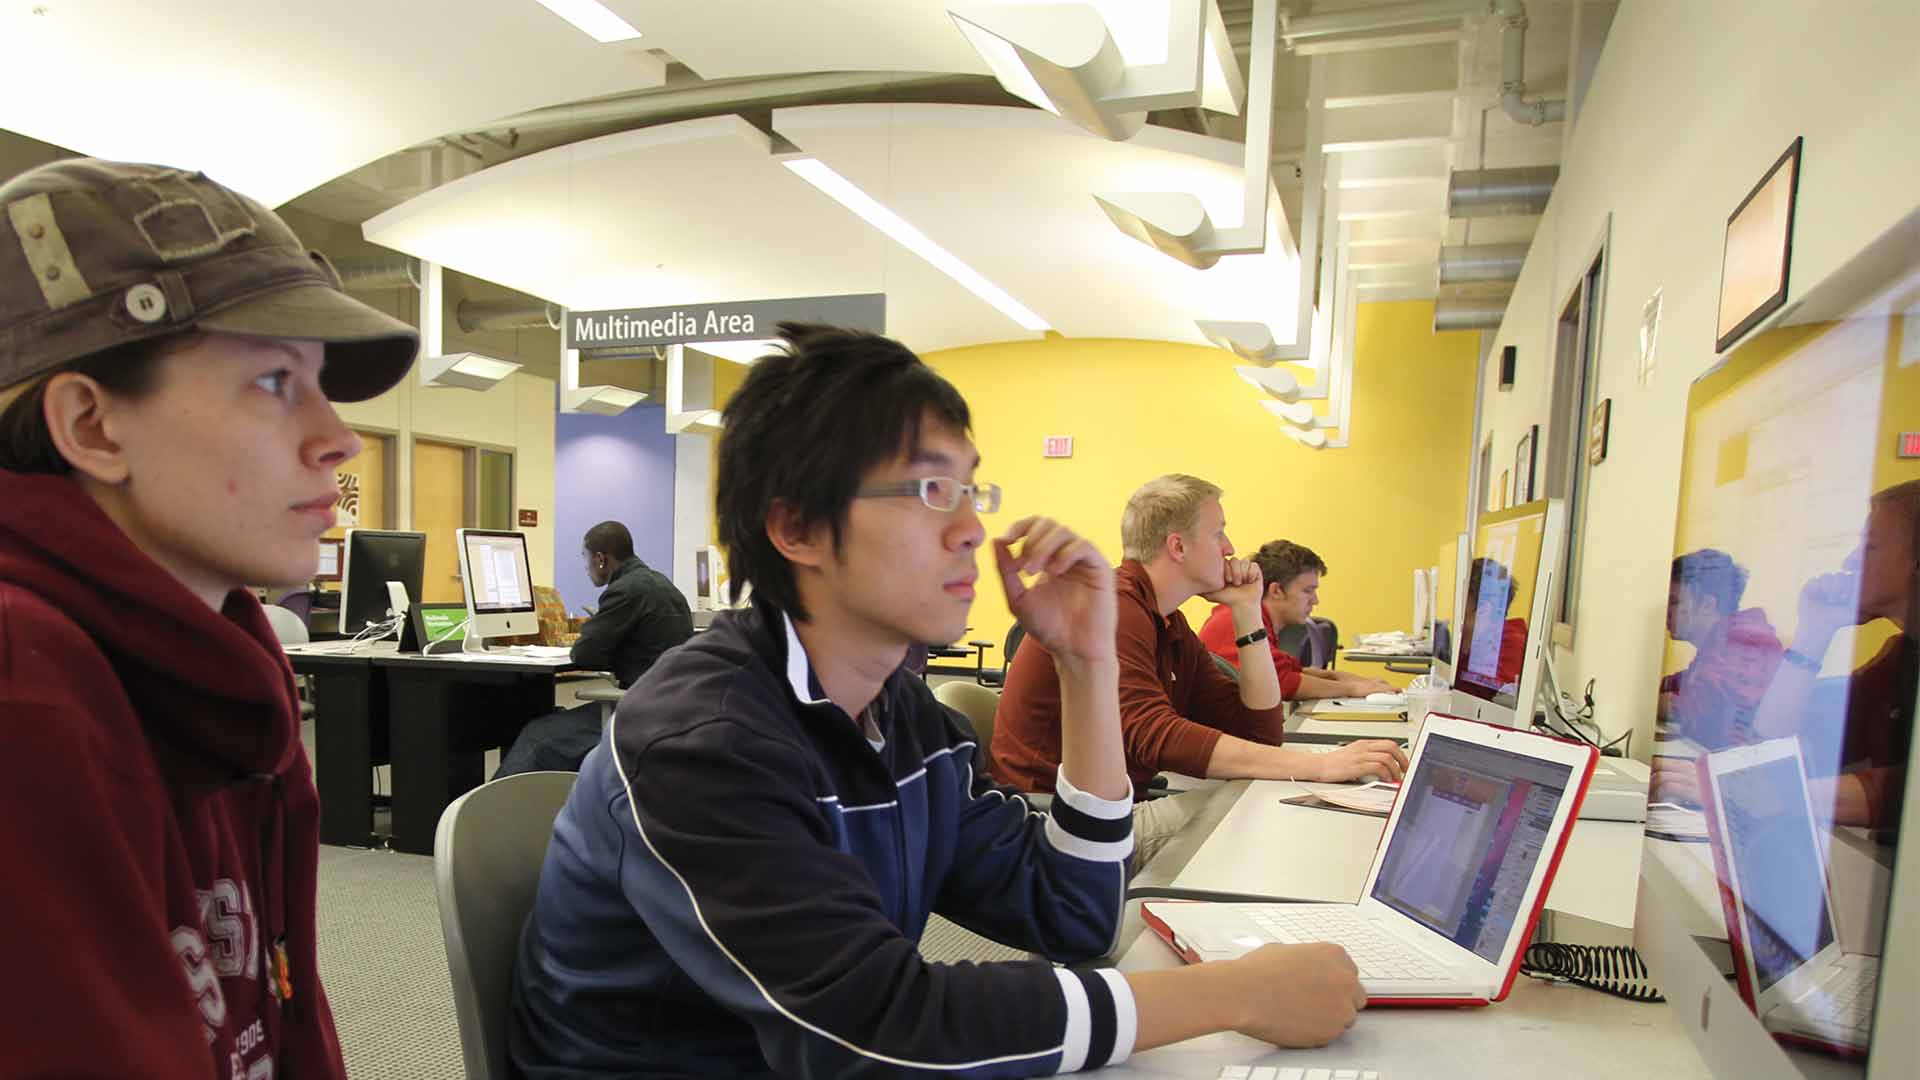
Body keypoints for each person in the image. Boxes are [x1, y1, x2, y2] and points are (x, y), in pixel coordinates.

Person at [509, 325, 1370, 1078]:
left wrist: (1085, 666)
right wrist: (1230, 995)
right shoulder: (703, 743)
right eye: (929, 491)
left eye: (969, 492)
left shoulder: (907, 718)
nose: (969, 529)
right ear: (796, 528)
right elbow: (875, 1032)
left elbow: (1072, 915)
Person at [0, 159, 419, 1075]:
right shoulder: (23, 685)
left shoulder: (226, 662)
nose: (339, 439)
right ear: (93, 427)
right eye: (273, 381)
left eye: (318, 381)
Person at [992, 475, 1407, 868]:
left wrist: (1247, 610)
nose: (1230, 548)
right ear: (1178, 546)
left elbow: (1261, 734)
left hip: (1109, 812)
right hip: (1060, 824)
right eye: (1218, 533)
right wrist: (1318, 766)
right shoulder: (1115, 607)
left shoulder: (1167, 621)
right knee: (1256, 809)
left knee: (1265, 794)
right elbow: (1152, 735)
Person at [494, 519, 692, 777]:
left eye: (585, 558)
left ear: (600, 559)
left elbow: (584, 653)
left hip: (639, 712)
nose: (585, 568)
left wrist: (595, 633)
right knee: (557, 721)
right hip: (675, 708)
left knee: (537, 735)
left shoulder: (624, 590)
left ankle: (487, 804)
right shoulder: (663, 584)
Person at [1196, 539, 1394, 700]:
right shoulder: (1237, 619)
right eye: (1307, 591)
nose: (1315, 600)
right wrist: (1352, 688)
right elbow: (1280, 682)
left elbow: (1289, 669)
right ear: (1276, 591)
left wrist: (1338, 676)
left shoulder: (1256, 618)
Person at [1656, 548, 1783, 748]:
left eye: (1674, 602)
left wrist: (1664, 703)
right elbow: (1685, 683)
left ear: (1707, 605)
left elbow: (1696, 710)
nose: (1667, 612)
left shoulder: (1744, 644)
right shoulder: (1719, 644)